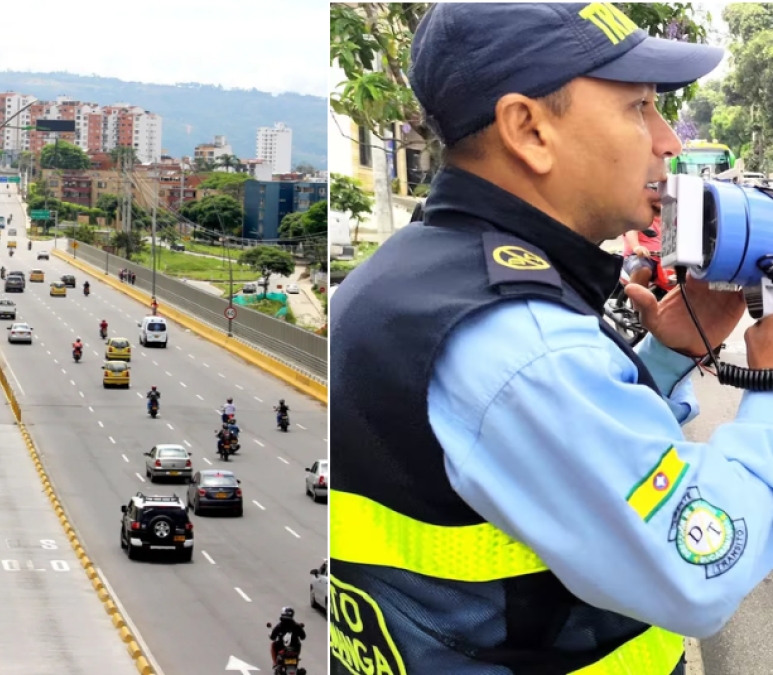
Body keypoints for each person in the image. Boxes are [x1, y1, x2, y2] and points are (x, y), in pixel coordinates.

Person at [330, 5, 773, 672]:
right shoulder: (519, 346)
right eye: (639, 108)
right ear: (529, 129)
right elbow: (702, 565)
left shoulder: (411, 274)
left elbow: (546, 464)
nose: (668, 141)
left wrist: (669, 354)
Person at [623, 215, 663, 287]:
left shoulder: (669, 218)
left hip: (663, 260)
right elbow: (631, 230)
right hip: (640, 256)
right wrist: (636, 247)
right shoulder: (641, 215)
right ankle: (637, 297)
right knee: (643, 269)